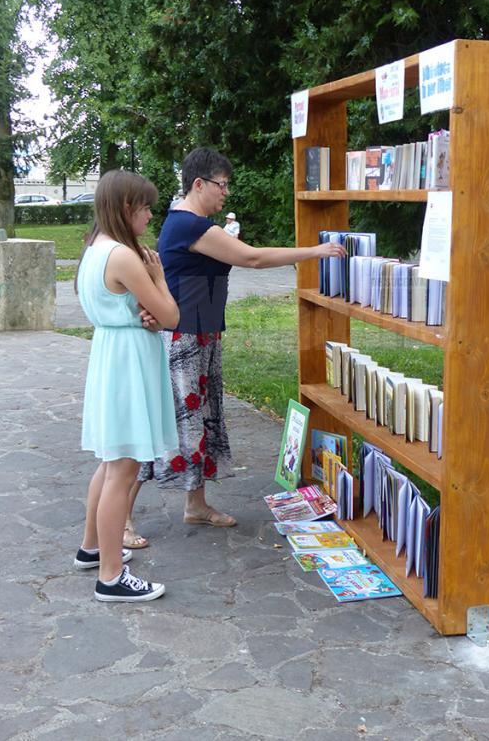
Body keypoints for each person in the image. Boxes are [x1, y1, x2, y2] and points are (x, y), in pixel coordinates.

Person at [132, 147, 345, 531]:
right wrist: (314, 251)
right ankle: (121, 520)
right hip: (185, 338)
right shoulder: (190, 225)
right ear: (198, 184)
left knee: (198, 421)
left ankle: (195, 504)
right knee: (169, 426)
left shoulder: (193, 225)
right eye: (221, 185)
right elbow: (253, 259)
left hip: (201, 334)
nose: (225, 193)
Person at [73, 169, 180, 601]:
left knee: (110, 460)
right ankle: (112, 577)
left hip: (112, 353)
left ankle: (92, 548)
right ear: (125, 208)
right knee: (124, 466)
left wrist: (146, 309)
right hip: (128, 362)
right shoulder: (123, 255)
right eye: (146, 207)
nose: (151, 215)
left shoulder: (94, 248)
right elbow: (171, 316)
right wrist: (158, 281)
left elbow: (133, 309)